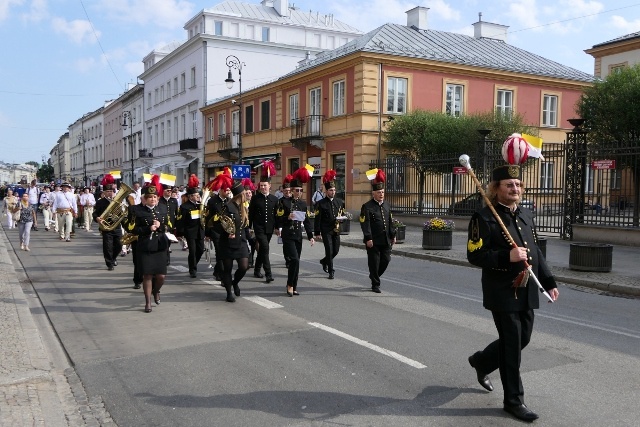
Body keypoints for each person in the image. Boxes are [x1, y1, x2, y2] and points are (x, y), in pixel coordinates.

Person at [466, 165, 559, 422]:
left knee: (522, 339)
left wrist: (549, 281)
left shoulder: (526, 214)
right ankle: (514, 401)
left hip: (527, 286)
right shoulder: (483, 217)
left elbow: (536, 252)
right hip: (502, 291)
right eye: (509, 185)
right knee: (512, 345)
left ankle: (482, 361)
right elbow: (474, 255)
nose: (515, 189)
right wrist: (507, 256)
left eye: (518, 184)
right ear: (496, 189)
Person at [127, 177, 170, 313]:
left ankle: (156, 291)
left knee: (161, 276)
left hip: (160, 246)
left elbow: (169, 225)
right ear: (144, 199)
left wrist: (161, 226)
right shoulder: (135, 210)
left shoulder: (162, 208)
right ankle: (148, 302)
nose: (153, 199)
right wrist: (147, 229)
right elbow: (131, 228)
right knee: (147, 275)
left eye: (155, 197)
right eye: (150, 197)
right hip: (145, 246)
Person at [276, 167, 315, 297]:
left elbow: (307, 221)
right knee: (294, 260)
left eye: (301, 190)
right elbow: (278, 218)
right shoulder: (284, 202)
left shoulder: (303, 204)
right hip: (288, 234)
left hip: (298, 235)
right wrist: (287, 217)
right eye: (296, 190)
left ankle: (294, 285)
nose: (299, 192)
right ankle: (289, 284)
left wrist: (311, 236)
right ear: (291, 191)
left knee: (297, 260)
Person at [211, 175, 249, 302]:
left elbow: (245, 225)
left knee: (244, 266)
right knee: (227, 268)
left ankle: (235, 282)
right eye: (244, 193)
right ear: (240, 195)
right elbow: (218, 224)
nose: (247, 195)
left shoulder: (243, 207)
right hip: (227, 242)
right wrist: (227, 231)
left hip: (241, 241)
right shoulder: (228, 207)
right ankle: (228, 292)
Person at [359, 169, 396, 293]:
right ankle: (375, 284)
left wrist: (393, 235)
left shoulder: (386, 205)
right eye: (379, 192)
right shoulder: (367, 206)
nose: (381, 194)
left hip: (385, 239)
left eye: (383, 192)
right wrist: (368, 237)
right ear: (373, 193)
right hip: (373, 240)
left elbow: (390, 221)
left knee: (386, 260)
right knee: (374, 263)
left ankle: (374, 275)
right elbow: (365, 223)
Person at [248, 161, 278, 283]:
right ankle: (268, 273)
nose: (263, 187)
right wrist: (249, 227)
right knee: (265, 248)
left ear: (270, 186)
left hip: (269, 228)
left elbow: (277, 215)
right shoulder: (255, 199)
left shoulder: (274, 199)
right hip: (259, 227)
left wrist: (278, 227)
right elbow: (251, 214)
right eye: (261, 185)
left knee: (263, 250)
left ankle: (256, 269)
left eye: (265, 185)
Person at [314, 169, 345, 280]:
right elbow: (318, 218)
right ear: (326, 191)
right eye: (331, 190)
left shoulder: (339, 202)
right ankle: (331, 271)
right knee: (329, 250)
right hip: (326, 230)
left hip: (336, 229)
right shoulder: (320, 203)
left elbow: (342, 214)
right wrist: (317, 232)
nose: (333, 192)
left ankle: (324, 261)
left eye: (334, 190)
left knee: (336, 250)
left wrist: (342, 219)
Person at [205, 167, 232, 281]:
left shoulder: (230, 201)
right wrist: (207, 233)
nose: (228, 192)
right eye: (226, 190)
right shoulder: (212, 201)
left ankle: (217, 271)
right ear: (221, 190)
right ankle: (221, 273)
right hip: (216, 230)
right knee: (219, 252)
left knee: (225, 253)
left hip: (226, 230)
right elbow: (208, 217)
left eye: (229, 190)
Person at [176, 175, 205, 278]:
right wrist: (181, 232)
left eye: (198, 195)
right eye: (195, 195)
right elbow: (180, 220)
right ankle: (192, 270)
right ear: (190, 196)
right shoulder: (184, 207)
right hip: (190, 231)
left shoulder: (200, 205)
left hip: (200, 231)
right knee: (192, 251)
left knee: (200, 250)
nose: (197, 196)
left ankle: (193, 264)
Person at [93, 175, 123, 271]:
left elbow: (122, 213)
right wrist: (97, 218)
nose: (110, 193)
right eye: (108, 191)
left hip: (117, 226)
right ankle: (109, 263)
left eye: (111, 191)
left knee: (119, 245)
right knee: (108, 246)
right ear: (104, 193)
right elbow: (95, 213)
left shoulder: (117, 201)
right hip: (106, 227)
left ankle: (113, 258)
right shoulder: (100, 202)